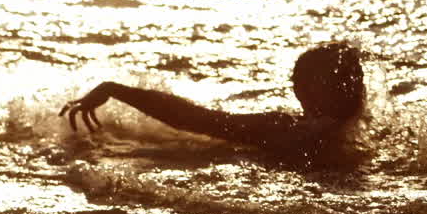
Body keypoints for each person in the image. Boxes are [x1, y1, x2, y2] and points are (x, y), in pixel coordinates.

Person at [60, 43, 364, 163]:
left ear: (303, 90)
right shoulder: (369, 140)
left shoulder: (286, 132)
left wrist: (116, 89)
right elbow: (194, 118)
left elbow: (194, 118)